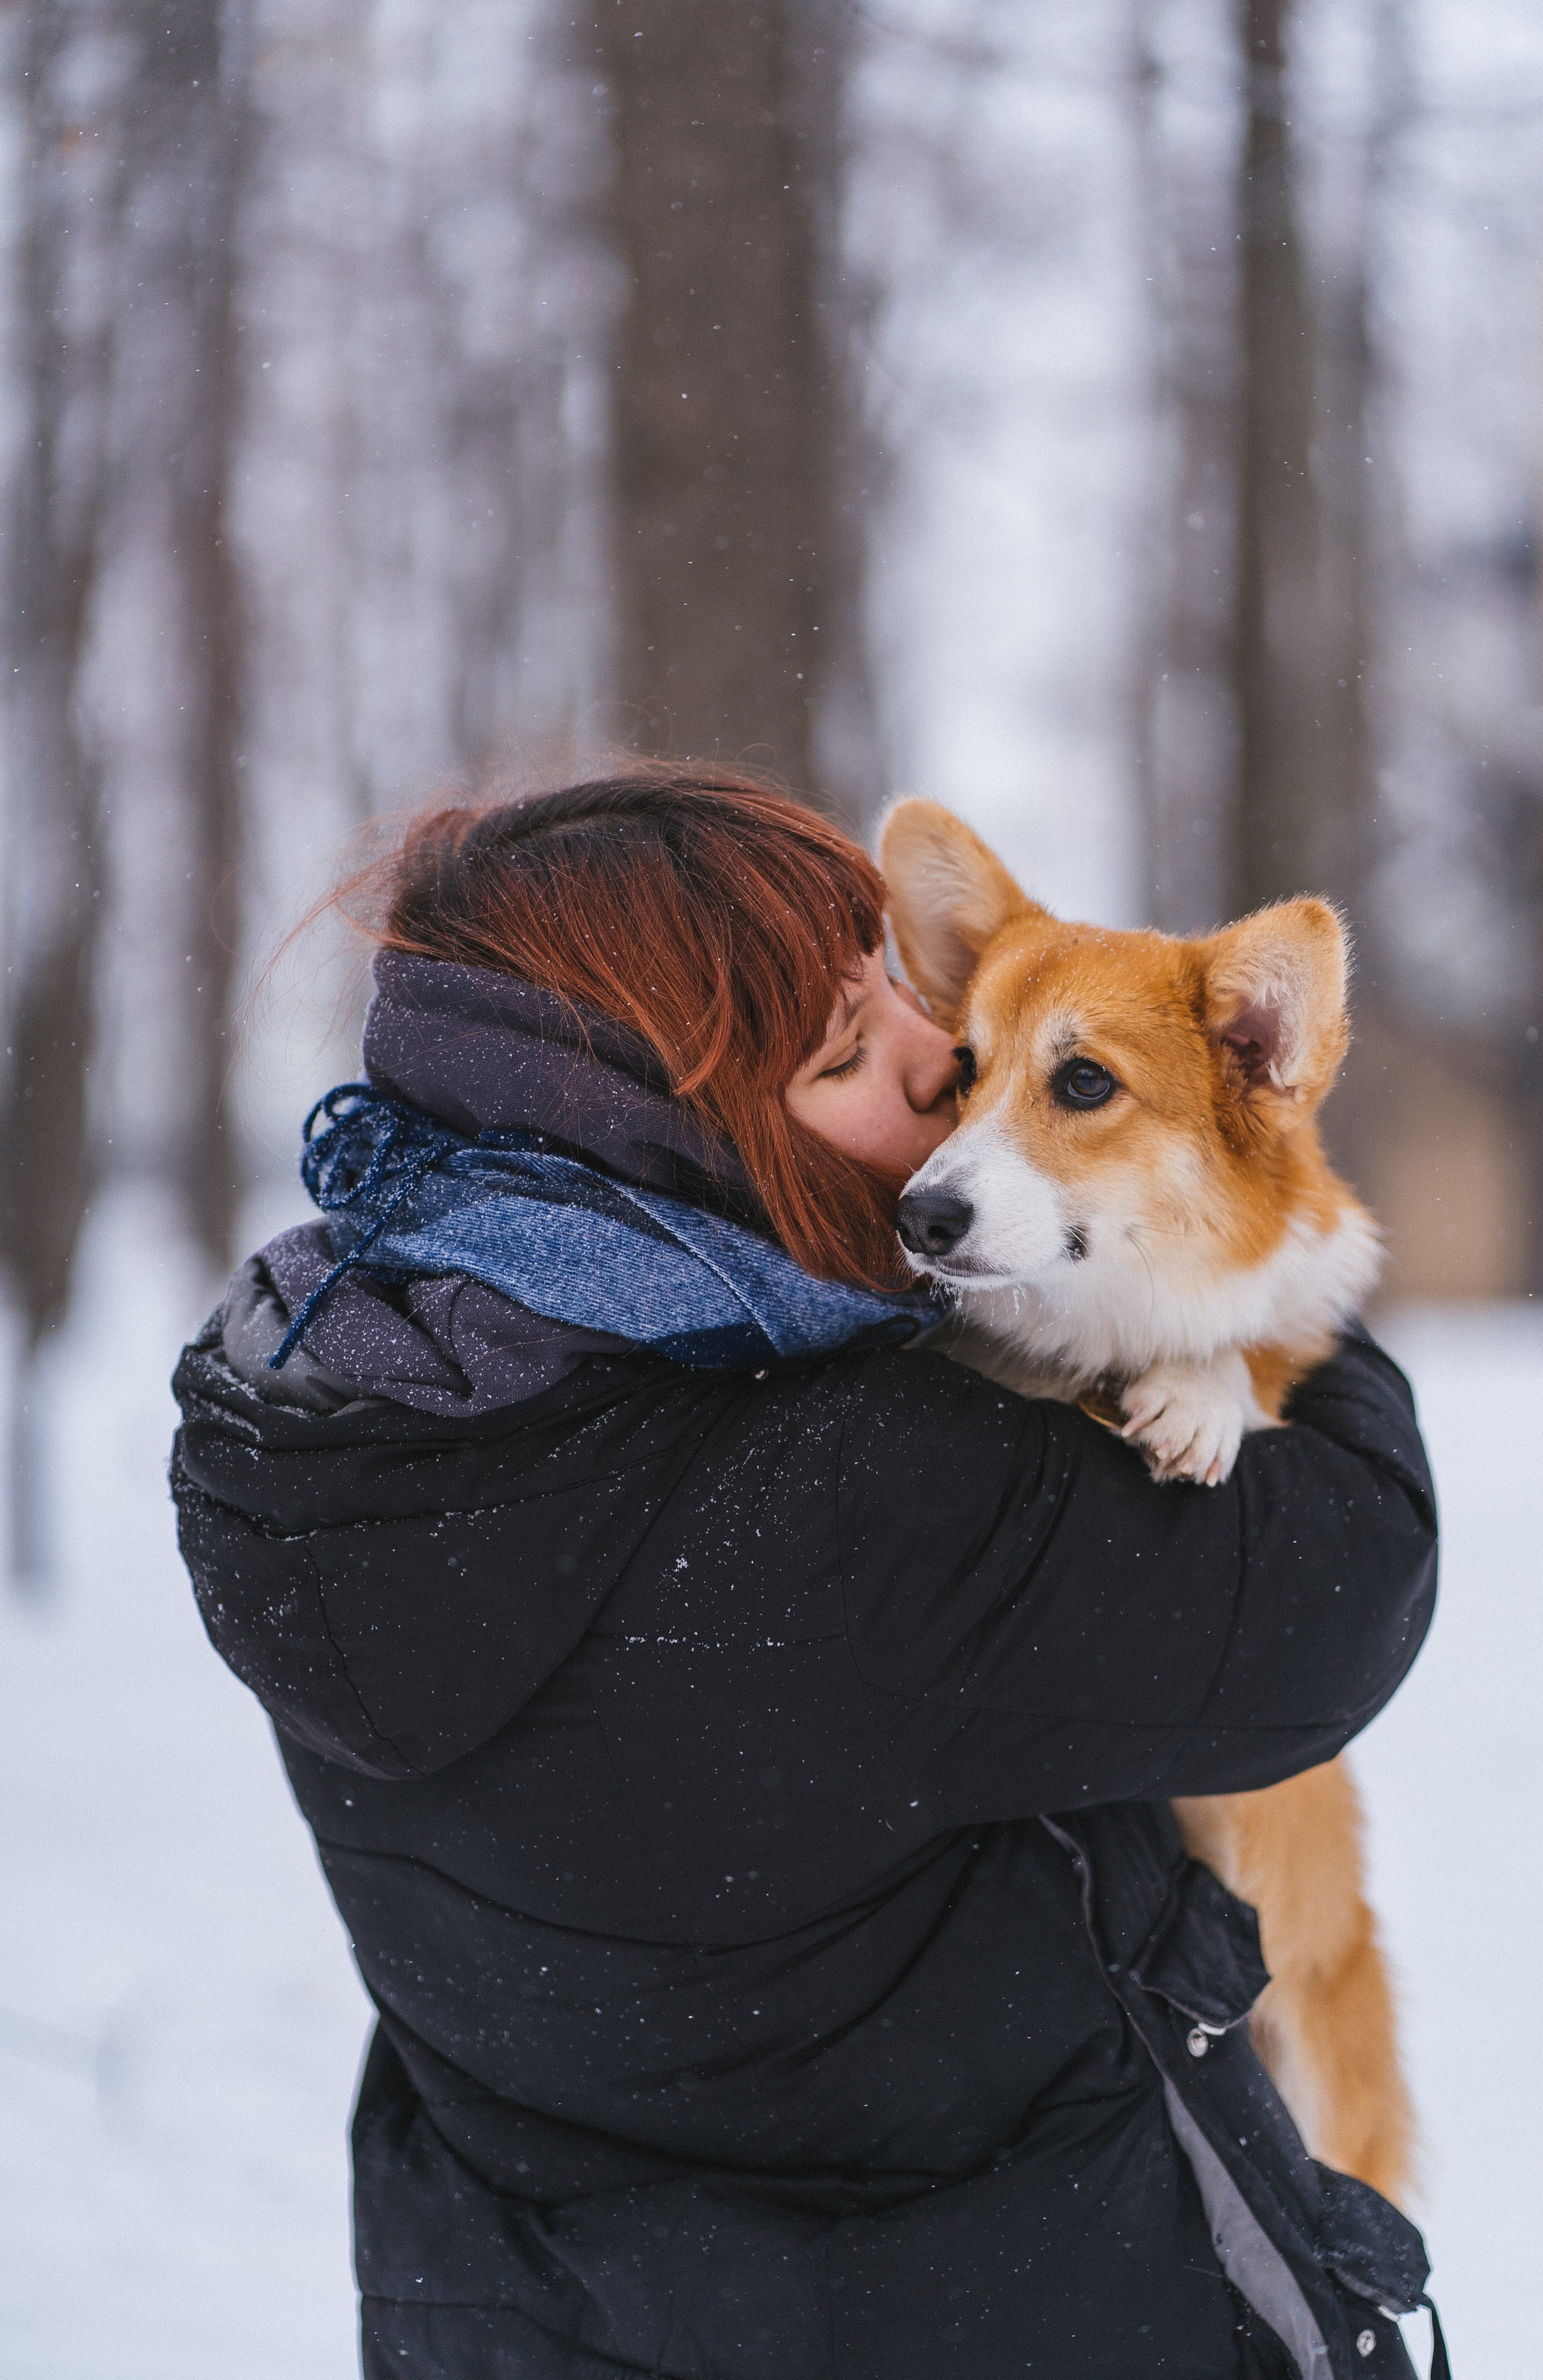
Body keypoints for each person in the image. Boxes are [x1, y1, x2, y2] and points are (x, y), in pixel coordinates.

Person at [170, 770, 1442, 2380]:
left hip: (526, 2318)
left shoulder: (321, 1409)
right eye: (849, 1052)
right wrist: (1284, 1307)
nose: (938, 1058)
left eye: (896, 994)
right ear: (674, 1133)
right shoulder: (847, 1492)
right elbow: (1343, 1581)